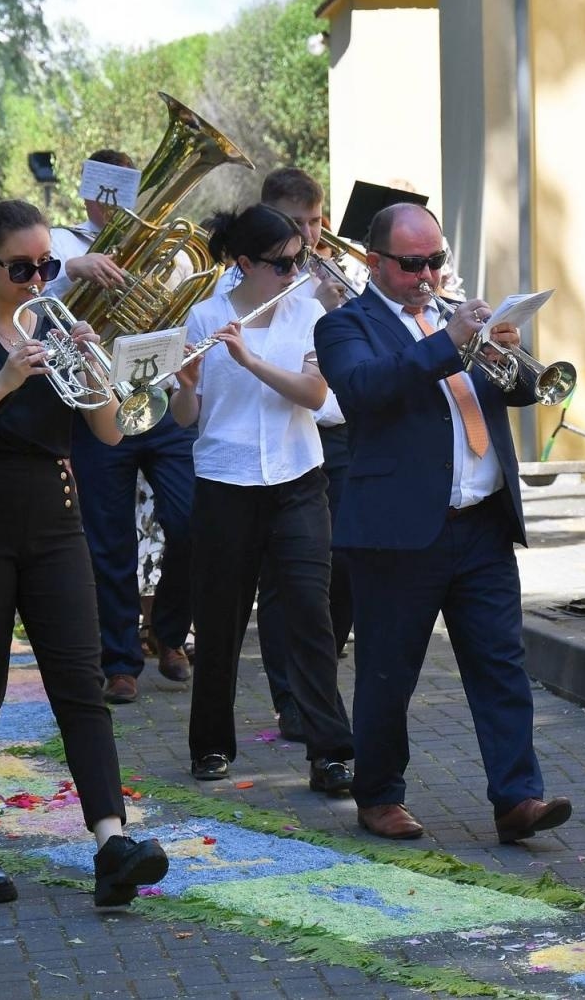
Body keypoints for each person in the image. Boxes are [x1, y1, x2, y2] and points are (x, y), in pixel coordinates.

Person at [0, 198, 167, 905]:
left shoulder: (57, 328)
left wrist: (92, 366)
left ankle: (112, 841)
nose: (37, 280)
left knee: (80, 685)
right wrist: (3, 380)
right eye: (21, 267)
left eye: (47, 265)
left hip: (56, 521)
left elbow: (112, 435)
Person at [315, 202, 572, 844]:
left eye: (436, 260)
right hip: (399, 532)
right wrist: (450, 341)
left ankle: (518, 798)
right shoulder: (346, 325)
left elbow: (515, 392)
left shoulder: (457, 319)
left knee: (501, 665)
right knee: (388, 670)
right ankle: (378, 795)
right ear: (375, 263)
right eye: (412, 264)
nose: (427, 275)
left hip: (480, 523)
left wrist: (508, 350)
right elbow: (369, 390)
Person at [171, 204, 354, 794]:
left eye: (299, 259)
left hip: (298, 478)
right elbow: (184, 418)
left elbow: (313, 391)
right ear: (244, 263)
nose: (294, 271)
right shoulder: (202, 318)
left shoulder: (308, 315)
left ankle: (330, 751)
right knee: (220, 618)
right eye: (281, 264)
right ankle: (211, 745)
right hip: (225, 481)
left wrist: (249, 359)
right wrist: (189, 386)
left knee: (310, 613)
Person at [44, 149, 196, 703]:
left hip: (160, 398)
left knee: (191, 521)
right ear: (86, 192)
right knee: (108, 538)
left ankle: (171, 635)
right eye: (102, 192)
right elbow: (32, 305)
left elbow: (181, 314)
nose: (110, 204)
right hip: (96, 405)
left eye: (121, 191)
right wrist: (70, 272)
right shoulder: (60, 246)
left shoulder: (169, 251)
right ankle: (120, 660)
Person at [250, 168, 355, 741]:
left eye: (316, 222)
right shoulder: (261, 280)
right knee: (284, 583)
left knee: (345, 568)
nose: (311, 236)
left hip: (341, 435)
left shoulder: (337, 274)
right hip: (286, 436)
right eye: (297, 224)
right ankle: (292, 698)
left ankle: (316, 667)